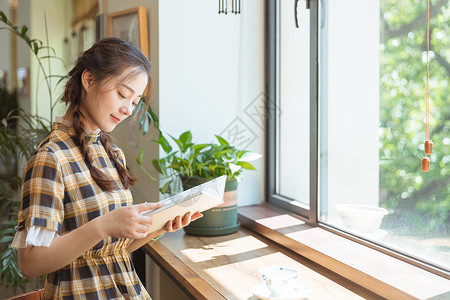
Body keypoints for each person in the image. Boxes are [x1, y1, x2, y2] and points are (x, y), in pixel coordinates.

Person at [11, 38, 202, 299]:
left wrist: (159, 226)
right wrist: (102, 226)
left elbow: (112, 250)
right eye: (123, 94)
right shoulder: (50, 158)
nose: (127, 110)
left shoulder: (111, 153)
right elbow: (30, 263)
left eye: (135, 102)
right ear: (88, 80)